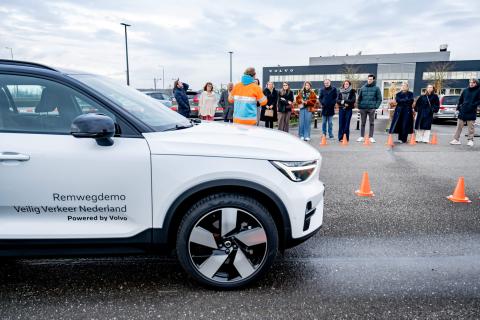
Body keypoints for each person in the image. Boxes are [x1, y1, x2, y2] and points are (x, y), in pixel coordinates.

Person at [450, 78, 480, 146]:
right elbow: (460, 99)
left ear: (476, 83)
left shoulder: (478, 91)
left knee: (471, 127)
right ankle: (456, 139)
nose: (471, 83)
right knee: (459, 126)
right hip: (463, 110)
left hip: (471, 110)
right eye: (470, 82)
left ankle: (470, 140)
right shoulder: (465, 90)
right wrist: (458, 107)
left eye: (473, 82)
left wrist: (473, 105)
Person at [357, 74, 382, 143]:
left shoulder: (377, 88)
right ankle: (362, 136)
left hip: (371, 109)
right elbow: (359, 98)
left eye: (371, 79)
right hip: (363, 108)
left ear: (373, 80)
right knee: (363, 123)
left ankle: (371, 137)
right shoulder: (363, 88)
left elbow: (379, 99)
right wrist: (359, 107)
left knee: (371, 123)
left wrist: (375, 107)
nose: (369, 80)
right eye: (368, 79)